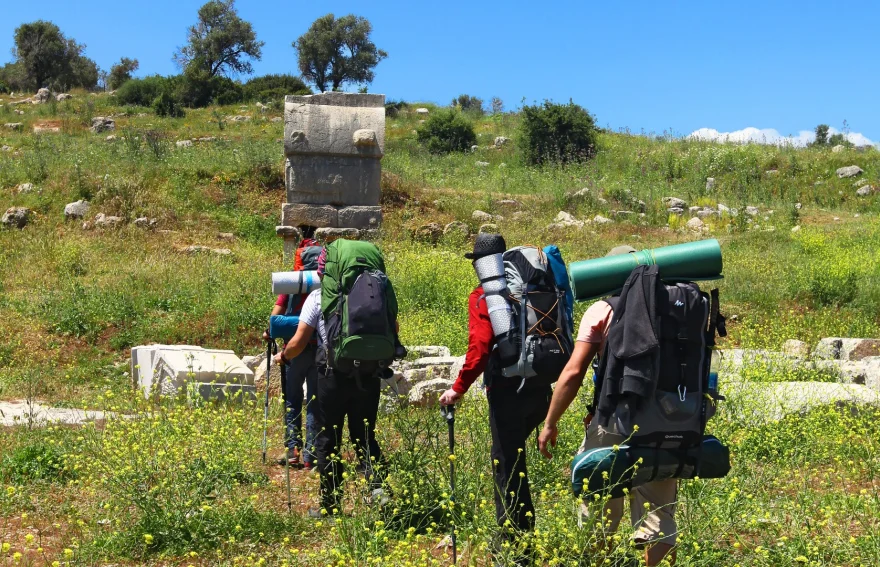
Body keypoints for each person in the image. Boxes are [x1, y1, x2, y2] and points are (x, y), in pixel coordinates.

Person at [537, 245, 678, 567]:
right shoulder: (676, 303)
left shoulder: (602, 309)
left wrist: (550, 422)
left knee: (597, 497)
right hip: (669, 420)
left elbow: (573, 372)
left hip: (614, 418)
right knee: (659, 513)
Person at [438, 233, 554, 565]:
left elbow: (479, 350)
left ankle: (516, 547)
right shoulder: (529, 289)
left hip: (507, 392)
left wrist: (457, 388)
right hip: (541, 387)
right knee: (516, 465)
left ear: (479, 264)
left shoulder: (485, 296)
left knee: (506, 466)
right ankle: (522, 537)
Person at [274, 247, 392, 518]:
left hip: (333, 377)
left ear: (324, 271)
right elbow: (393, 330)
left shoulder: (319, 297)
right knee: (365, 437)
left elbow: (299, 341)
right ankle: (380, 493)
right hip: (370, 376)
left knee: (329, 440)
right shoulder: (377, 294)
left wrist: (283, 356)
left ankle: (330, 504)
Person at [264, 240, 321, 470]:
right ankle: (312, 455)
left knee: (292, 399)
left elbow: (276, 314)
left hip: (292, 350)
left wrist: (269, 333)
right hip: (318, 349)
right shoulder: (323, 284)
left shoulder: (292, 284)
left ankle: (292, 450)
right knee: (315, 401)